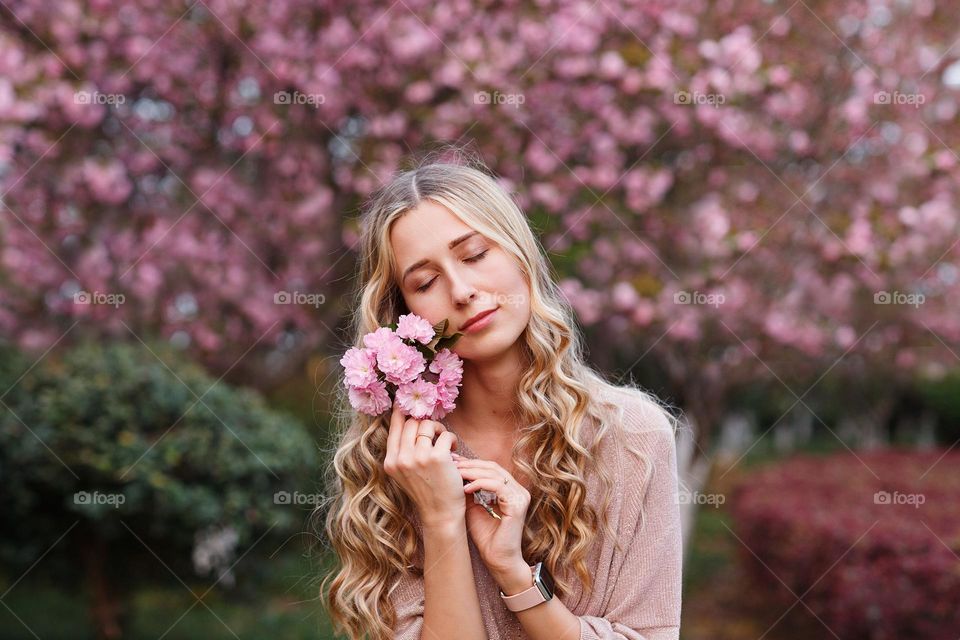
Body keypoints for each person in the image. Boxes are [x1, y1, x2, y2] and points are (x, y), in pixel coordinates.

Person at [317, 147, 682, 640]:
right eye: (425, 282)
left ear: (520, 253)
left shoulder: (632, 438)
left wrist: (513, 573)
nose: (462, 290)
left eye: (475, 255)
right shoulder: (400, 463)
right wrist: (442, 518)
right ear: (404, 315)